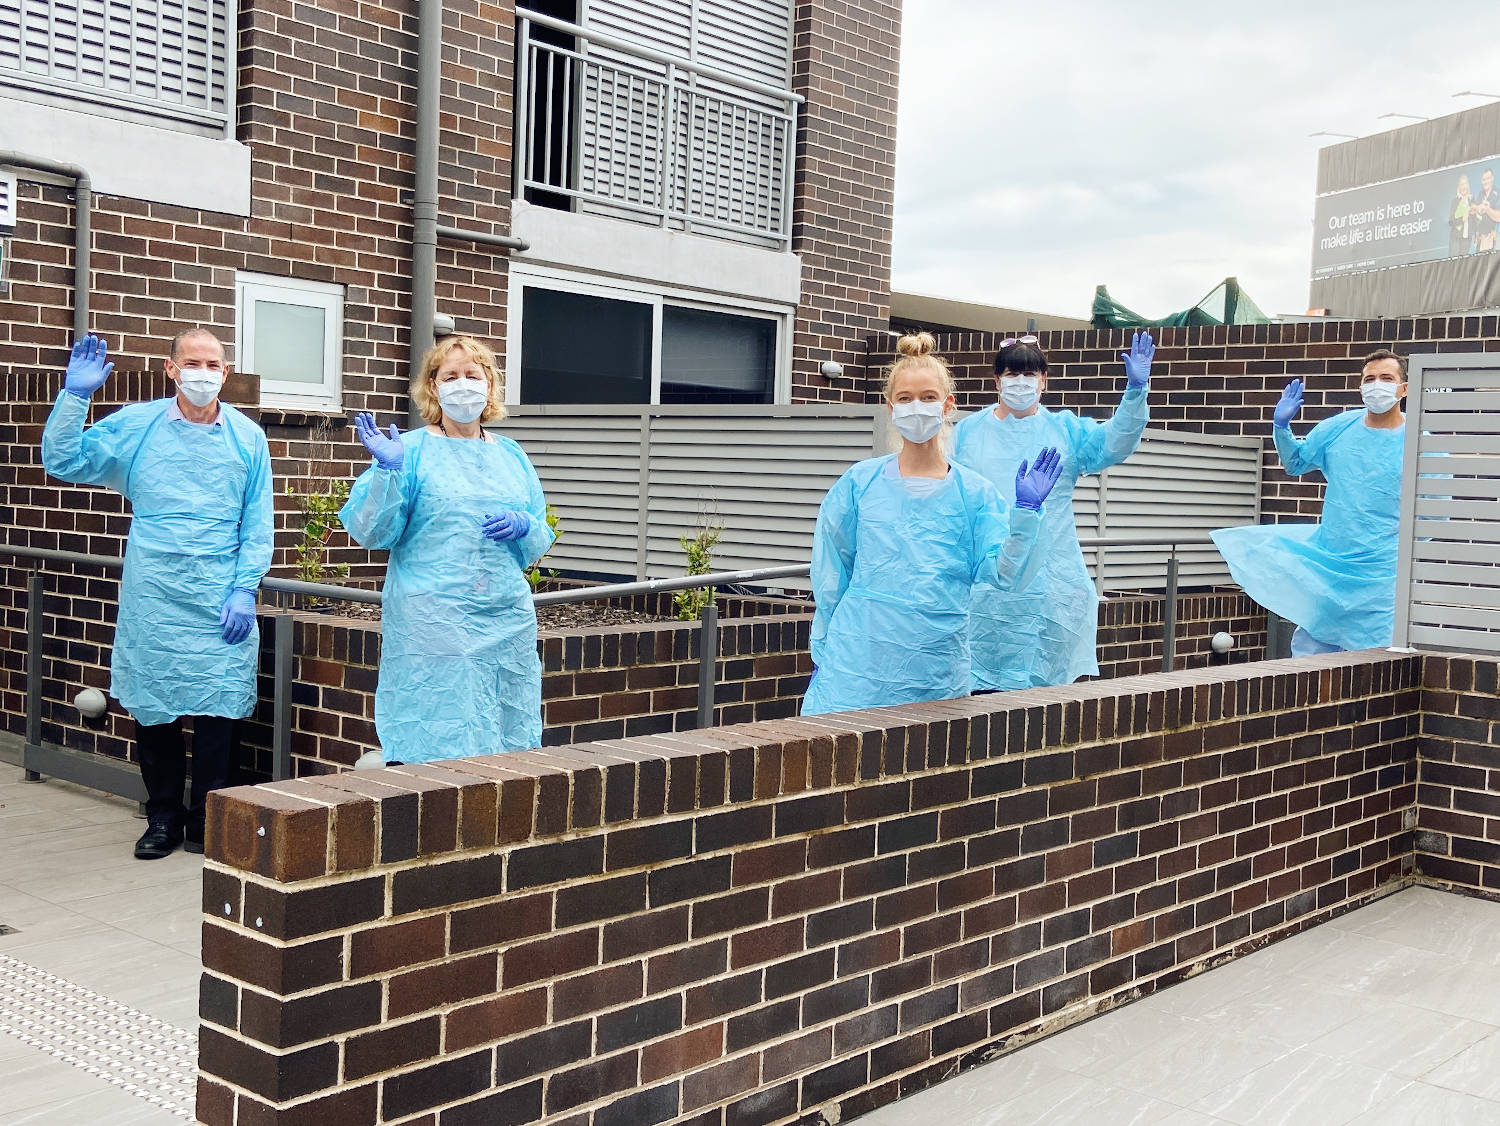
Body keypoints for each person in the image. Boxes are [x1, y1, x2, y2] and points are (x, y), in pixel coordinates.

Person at [41, 331, 273, 859]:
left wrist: (244, 587)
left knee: (219, 715)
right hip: (156, 592)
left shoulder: (246, 437)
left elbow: (258, 519)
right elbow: (64, 460)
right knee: (155, 711)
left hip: (220, 595)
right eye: (192, 362)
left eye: (212, 363)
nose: (203, 372)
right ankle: (162, 818)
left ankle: (207, 822)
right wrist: (75, 397)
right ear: (171, 369)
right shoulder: (138, 425)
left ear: (226, 370)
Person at [801, 332, 1063, 715]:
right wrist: (823, 646)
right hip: (856, 664)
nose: (916, 408)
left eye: (927, 397)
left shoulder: (975, 495)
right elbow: (830, 573)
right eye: (905, 399)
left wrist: (1025, 515)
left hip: (935, 669)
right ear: (890, 407)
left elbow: (1005, 574)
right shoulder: (860, 484)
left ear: (947, 406)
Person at [341, 335, 554, 763]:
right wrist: (388, 472)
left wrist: (524, 525)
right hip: (432, 619)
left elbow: (537, 538)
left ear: (490, 385)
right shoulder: (410, 450)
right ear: (432, 387)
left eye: (472, 375)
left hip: (505, 616)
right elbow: (373, 531)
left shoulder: (511, 455)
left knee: (506, 726)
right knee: (439, 727)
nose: (462, 384)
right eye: (450, 375)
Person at [951, 331, 1153, 691]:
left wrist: (1135, 393)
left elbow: (1114, 441)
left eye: (1030, 375)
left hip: (1051, 588)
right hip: (986, 588)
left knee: (1044, 708)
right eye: (1012, 375)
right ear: (996, 380)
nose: (1021, 382)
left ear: (1044, 380)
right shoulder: (966, 433)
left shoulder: (1066, 430)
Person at [1211, 350, 1408, 657]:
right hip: (1330, 562)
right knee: (1312, 657)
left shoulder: (1419, 440)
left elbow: (1436, 507)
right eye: (1369, 379)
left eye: (1387, 378)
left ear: (1403, 388)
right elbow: (1296, 462)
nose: (1377, 386)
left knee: (1376, 660)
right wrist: (1281, 428)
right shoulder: (1338, 428)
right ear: (1360, 387)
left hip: (1383, 573)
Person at [1469, 168, 1500, 253]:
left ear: (1492, 178)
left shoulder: (1498, 193)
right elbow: (1473, 208)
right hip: (1481, 241)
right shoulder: (1480, 194)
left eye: (1488, 178)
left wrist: (1487, 209)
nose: (1485, 182)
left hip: (1494, 239)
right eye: (1483, 179)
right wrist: (1476, 208)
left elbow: (1498, 217)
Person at [1449, 174, 1473, 257]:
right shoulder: (1455, 201)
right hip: (1456, 239)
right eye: (1461, 184)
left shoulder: (1471, 200)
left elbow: (1475, 220)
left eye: (1465, 184)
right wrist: (1462, 219)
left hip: (1467, 239)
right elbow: (1451, 221)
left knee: (1463, 266)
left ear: (1468, 186)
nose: (1463, 187)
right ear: (1459, 187)